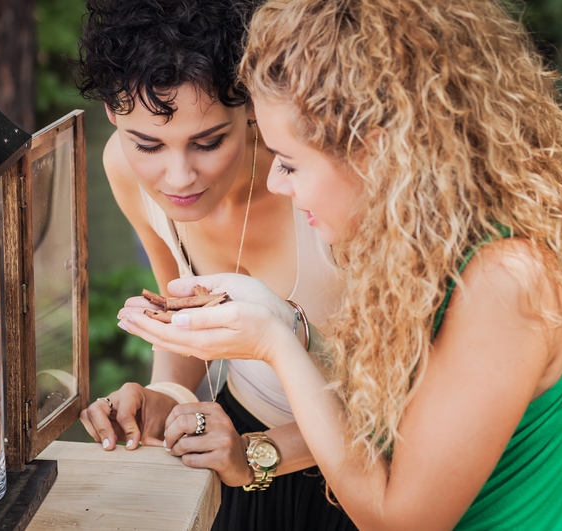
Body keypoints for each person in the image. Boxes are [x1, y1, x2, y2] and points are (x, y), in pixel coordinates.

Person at [117, 0, 562, 529]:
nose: (276, 183)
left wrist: (277, 341)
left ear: (377, 152)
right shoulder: (422, 246)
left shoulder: (503, 282)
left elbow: (399, 521)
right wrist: (255, 451)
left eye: (290, 164)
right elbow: (389, 434)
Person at [72, 1, 356, 530]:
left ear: (251, 108)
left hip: (354, 469)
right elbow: (181, 321)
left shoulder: (319, 183)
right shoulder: (122, 169)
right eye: (147, 144)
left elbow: (405, 393)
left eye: (209, 142)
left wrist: (258, 454)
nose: (178, 178)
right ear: (113, 114)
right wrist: (164, 399)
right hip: (231, 452)